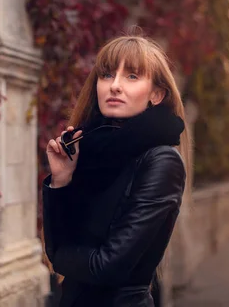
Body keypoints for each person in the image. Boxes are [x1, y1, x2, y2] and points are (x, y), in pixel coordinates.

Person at [42, 35, 190, 307]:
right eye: (107, 75)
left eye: (132, 76)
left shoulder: (161, 161)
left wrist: (66, 256)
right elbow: (54, 250)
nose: (115, 86)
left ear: (156, 95)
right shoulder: (89, 151)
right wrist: (62, 180)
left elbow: (107, 267)